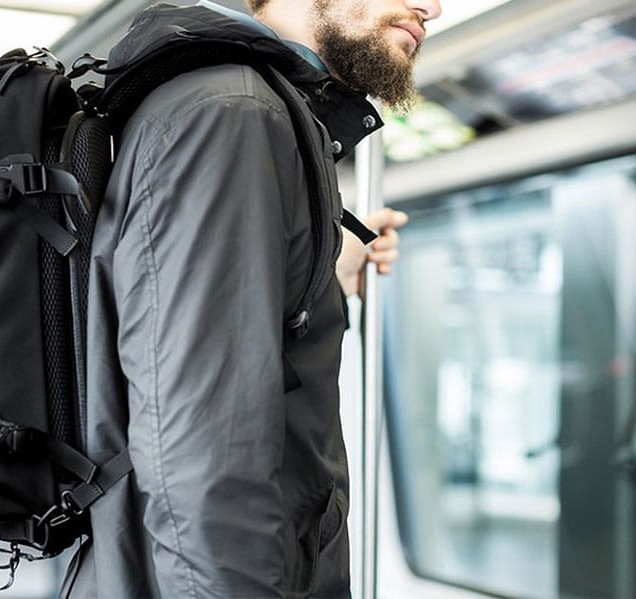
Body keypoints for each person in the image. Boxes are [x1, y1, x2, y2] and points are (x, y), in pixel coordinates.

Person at [65, 0, 438, 597]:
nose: (433, 7)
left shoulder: (256, 109)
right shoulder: (234, 112)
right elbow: (202, 442)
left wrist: (326, 277)